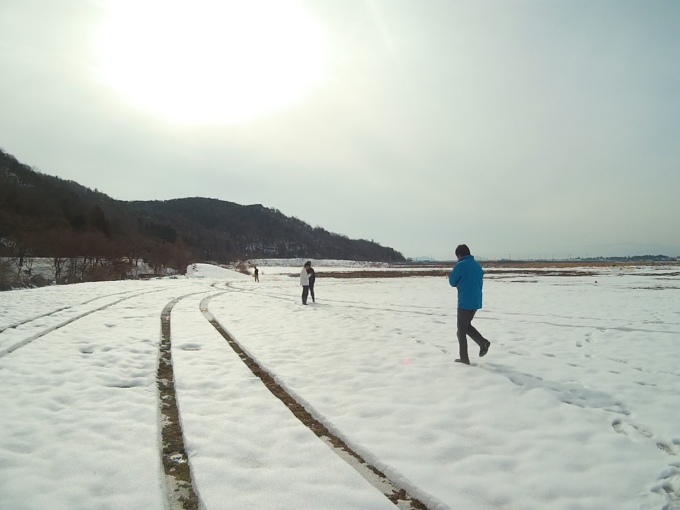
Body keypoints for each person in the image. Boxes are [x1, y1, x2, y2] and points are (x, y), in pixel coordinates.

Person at [448, 244, 490, 365]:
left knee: (461, 331)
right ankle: (482, 343)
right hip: (476, 301)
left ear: (459, 255)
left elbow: (452, 281)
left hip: (464, 302)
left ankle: (465, 358)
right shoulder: (477, 265)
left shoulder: (460, 265)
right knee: (465, 327)